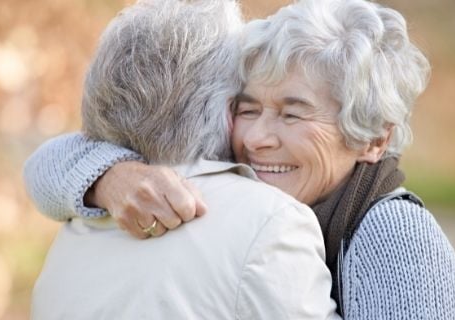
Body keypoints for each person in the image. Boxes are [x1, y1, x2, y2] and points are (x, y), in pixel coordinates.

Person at [26, 0, 455, 318]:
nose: (257, 137)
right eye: (247, 108)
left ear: (373, 141)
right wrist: (109, 176)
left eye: (293, 114)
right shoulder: (248, 202)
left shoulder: (392, 236)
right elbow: (49, 160)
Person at [30, 0, 340, 319]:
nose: (257, 136)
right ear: (222, 108)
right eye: (248, 107)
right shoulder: (272, 222)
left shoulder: (72, 234)